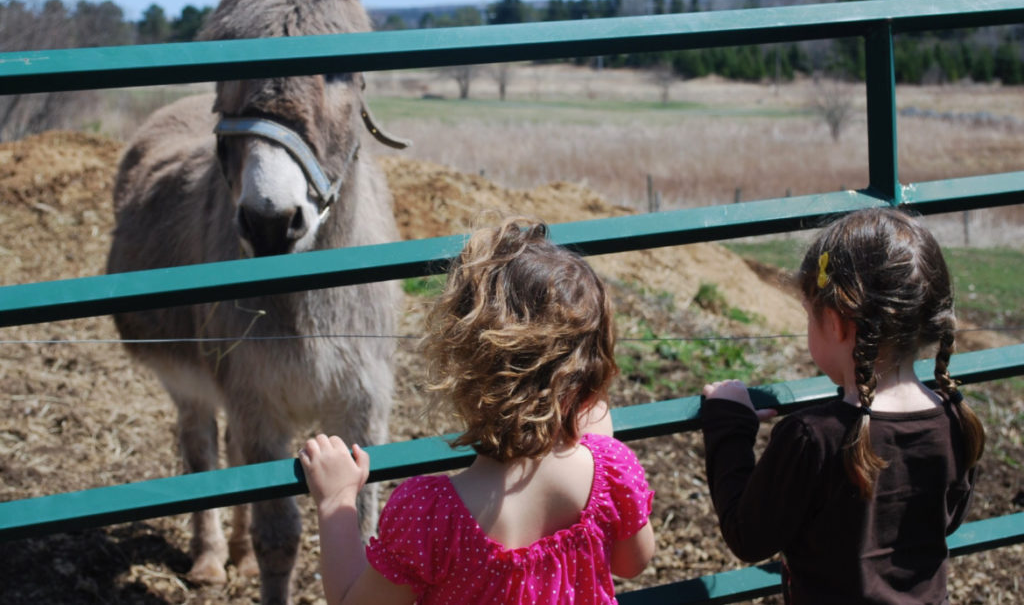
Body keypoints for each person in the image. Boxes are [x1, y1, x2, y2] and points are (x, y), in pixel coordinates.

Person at [300, 216, 655, 604]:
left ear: (464, 366)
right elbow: (632, 562)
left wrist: (336, 501)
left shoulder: (431, 516)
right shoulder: (610, 473)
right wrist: (598, 447)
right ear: (589, 377)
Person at [700, 207, 985, 604]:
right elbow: (947, 520)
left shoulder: (812, 438)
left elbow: (747, 536)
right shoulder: (956, 420)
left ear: (836, 323)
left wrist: (728, 424)